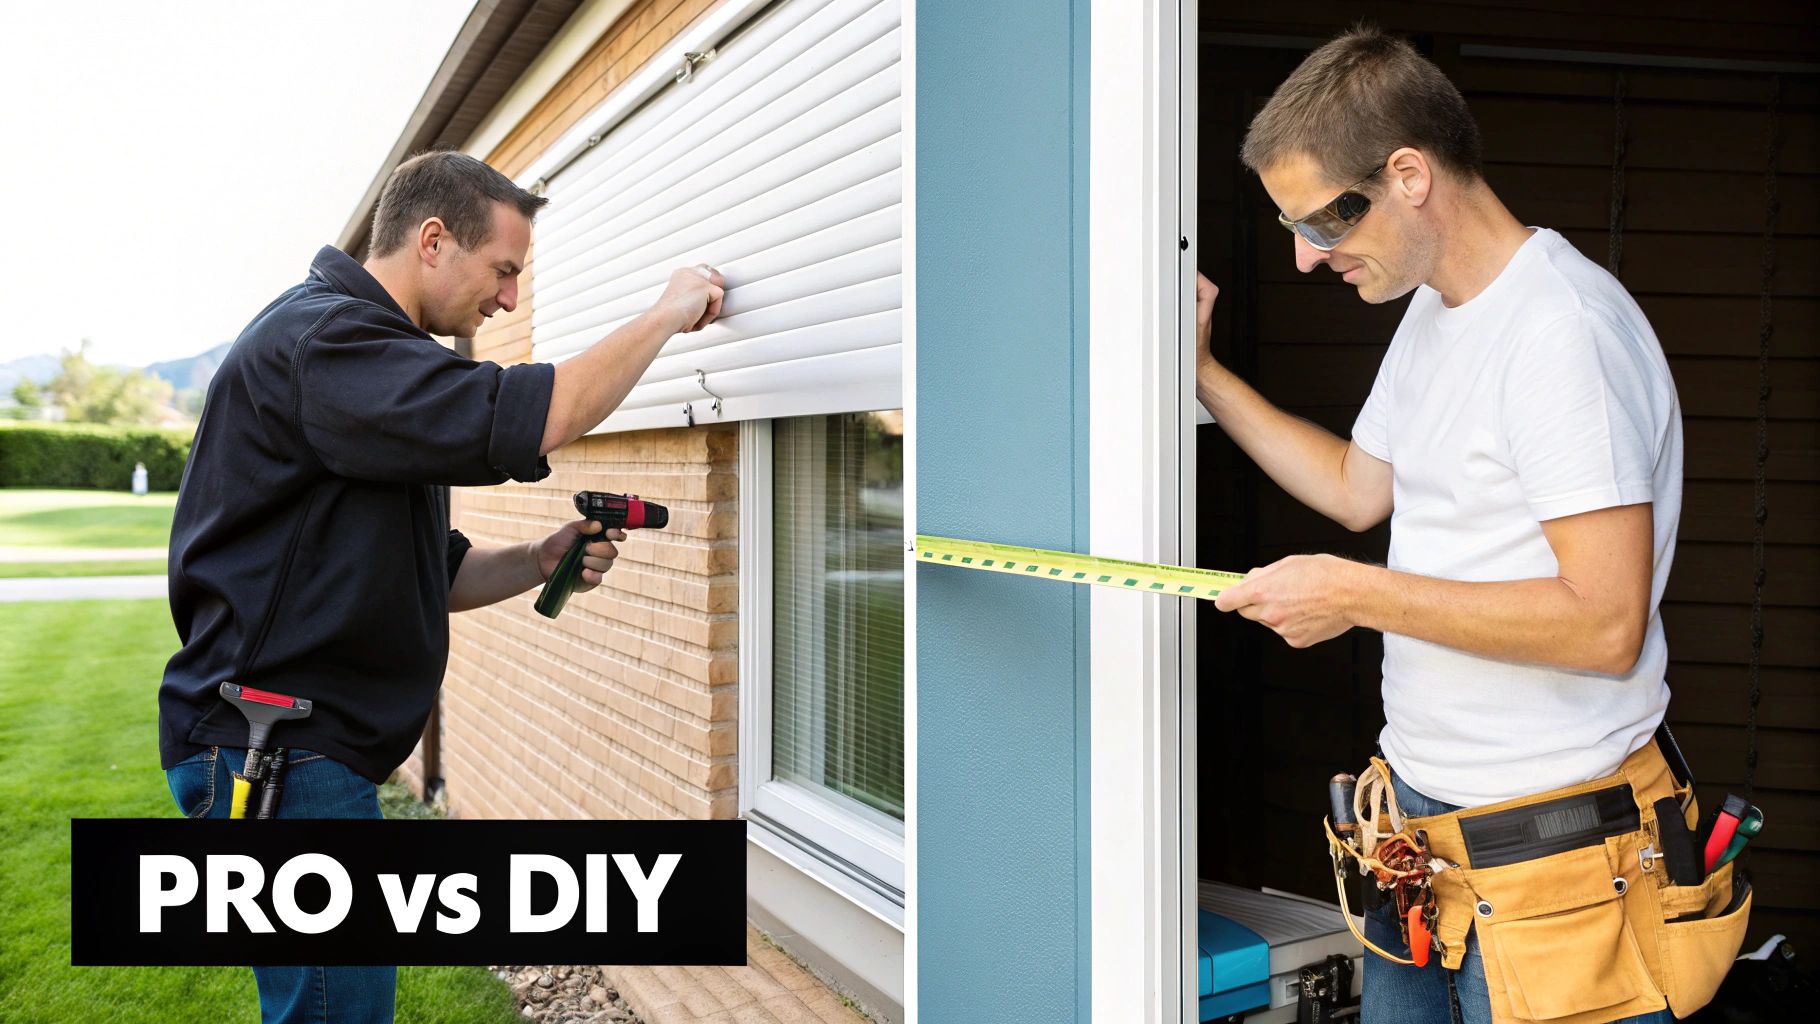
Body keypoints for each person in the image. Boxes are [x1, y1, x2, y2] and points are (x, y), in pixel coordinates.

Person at [158, 150, 724, 1023]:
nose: (506, 300)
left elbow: (433, 569)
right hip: (277, 750)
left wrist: (542, 556)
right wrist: (666, 312)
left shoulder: (364, 362)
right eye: (503, 271)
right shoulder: (331, 344)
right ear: (432, 241)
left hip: (296, 747)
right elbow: (538, 412)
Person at [1197, 28, 1683, 1024]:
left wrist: (1351, 593)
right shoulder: (1436, 310)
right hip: (1418, 841)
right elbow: (1353, 488)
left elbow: (1603, 624)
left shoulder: (1559, 337)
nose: (1303, 256)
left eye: (1320, 219)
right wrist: (1196, 375)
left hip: (1556, 873)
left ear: (1407, 174)